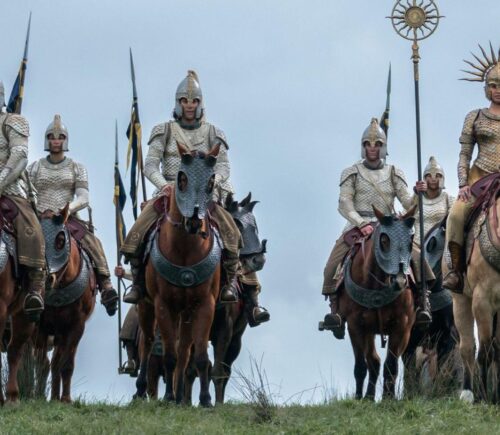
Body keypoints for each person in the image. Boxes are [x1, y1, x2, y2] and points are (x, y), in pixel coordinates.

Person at [122, 70, 266, 315]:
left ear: (201, 103)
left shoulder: (213, 133)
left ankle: (232, 283)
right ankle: (137, 282)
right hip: (170, 191)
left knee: (233, 231)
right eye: (184, 101)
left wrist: (213, 182)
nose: (189, 105)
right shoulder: (164, 130)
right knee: (140, 228)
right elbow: (149, 165)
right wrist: (165, 185)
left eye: (194, 101)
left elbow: (223, 166)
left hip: (205, 194)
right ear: (177, 103)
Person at [321, 118, 433, 338]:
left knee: (418, 257)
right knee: (331, 265)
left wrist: (419, 194)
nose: (372, 148)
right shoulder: (351, 172)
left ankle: (422, 302)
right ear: (363, 147)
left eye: (377, 144)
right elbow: (344, 203)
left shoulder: (394, 172)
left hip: (389, 224)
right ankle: (335, 311)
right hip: (357, 223)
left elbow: (408, 204)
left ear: (383, 147)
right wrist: (361, 224)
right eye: (368, 144)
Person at [27, 115, 118, 315]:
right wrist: (37, 211)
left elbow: (83, 197)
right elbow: (29, 194)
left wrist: (66, 209)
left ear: (65, 140)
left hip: (66, 218)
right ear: (47, 140)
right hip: (39, 218)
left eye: (60, 137)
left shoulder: (77, 168)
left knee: (91, 240)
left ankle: (106, 284)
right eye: (52, 137)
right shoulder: (34, 167)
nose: (56, 141)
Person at [444, 47, 500, 291]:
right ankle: (456, 271)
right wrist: (463, 184)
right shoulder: (474, 116)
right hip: (480, 178)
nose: (498, 91)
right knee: (456, 215)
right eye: (494, 85)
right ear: (487, 88)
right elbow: (464, 154)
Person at [0, 82, 46, 321]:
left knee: (30, 227)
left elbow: (19, 156)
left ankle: (36, 281)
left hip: (9, 186)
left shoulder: (13, 122)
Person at [414, 156, 454, 245]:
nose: (433, 179)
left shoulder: (448, 198)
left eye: (438, 175)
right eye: (429, 175)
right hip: (416, 246)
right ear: (424, 178)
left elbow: (454, 222)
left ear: (442, 178)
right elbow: (405, 218)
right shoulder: (417, 198)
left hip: (438, 247)